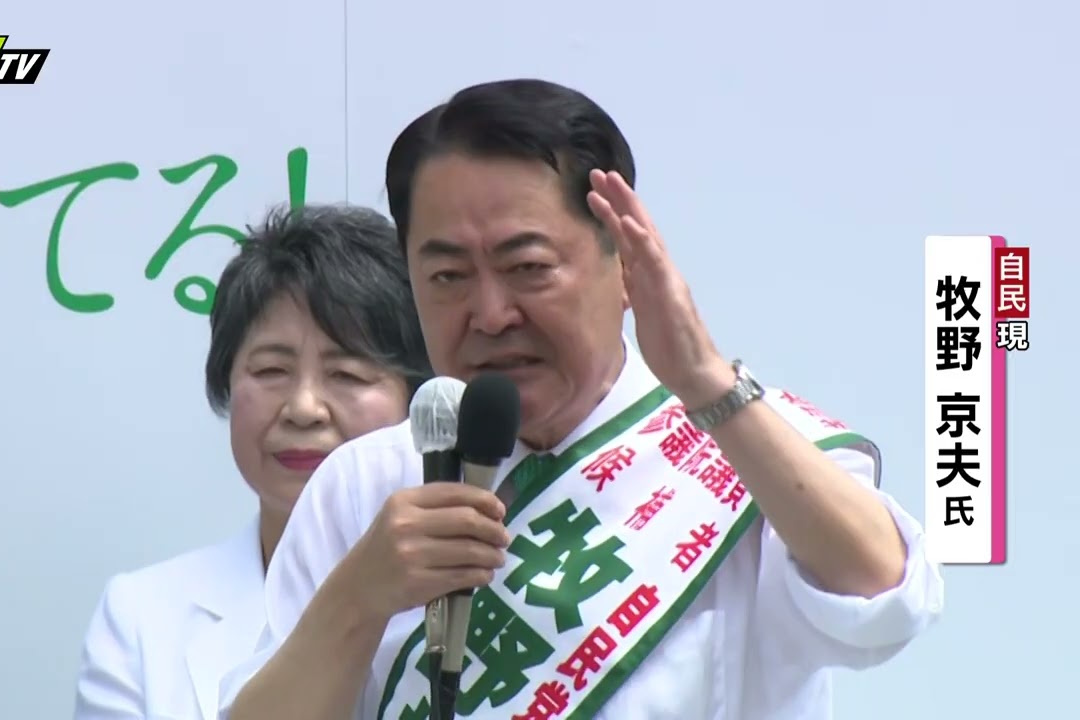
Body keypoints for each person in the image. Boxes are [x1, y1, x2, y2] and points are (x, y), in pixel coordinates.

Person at [220, 79, 945, 720]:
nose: (490, 313)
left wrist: (706, 382)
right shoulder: (364, 483)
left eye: (528, 267)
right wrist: (359, 598)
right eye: (447, 277)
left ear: (624, 262)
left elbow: (887, 599)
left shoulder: (742, 445)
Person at [71, 203, 432, 720]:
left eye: (347, 375)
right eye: (270, 371)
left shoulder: (488, 592)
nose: (304, 408)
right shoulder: (142, 616)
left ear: (419, 399)